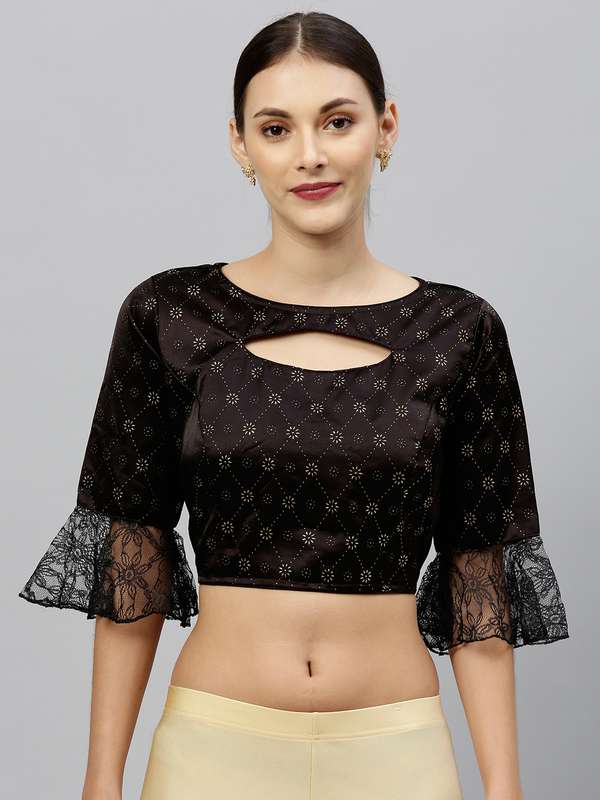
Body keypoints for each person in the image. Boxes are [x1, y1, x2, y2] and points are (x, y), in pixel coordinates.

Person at [18, 11, 569, 800]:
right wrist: (100, 780)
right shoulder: (169, 316)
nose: (310, 154)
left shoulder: (459, 331)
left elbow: (479, 581)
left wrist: (504, 789)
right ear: (241, 145)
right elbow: (132, 559)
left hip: (397, 752)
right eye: (276, 129)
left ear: (385, 128)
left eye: (337, 121)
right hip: (212, 750)